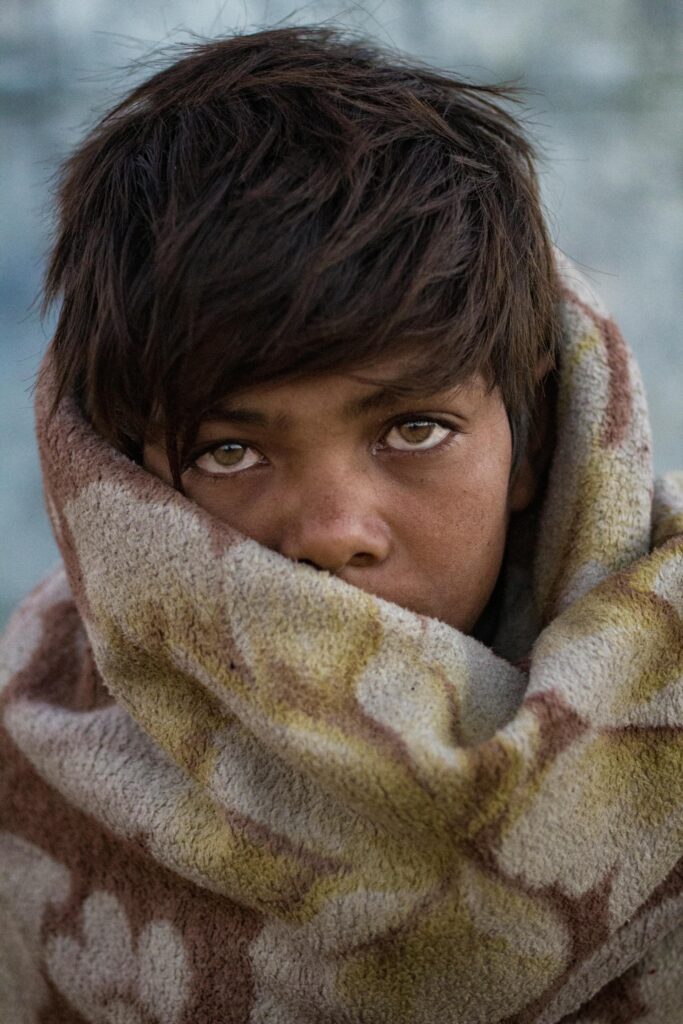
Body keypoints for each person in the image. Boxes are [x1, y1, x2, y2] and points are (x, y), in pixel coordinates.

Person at [1, 26, 681, 1024]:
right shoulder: (39, 758)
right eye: (228, 451)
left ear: (532, 440)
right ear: (123, 482)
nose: (330, 531)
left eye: (414, 429)